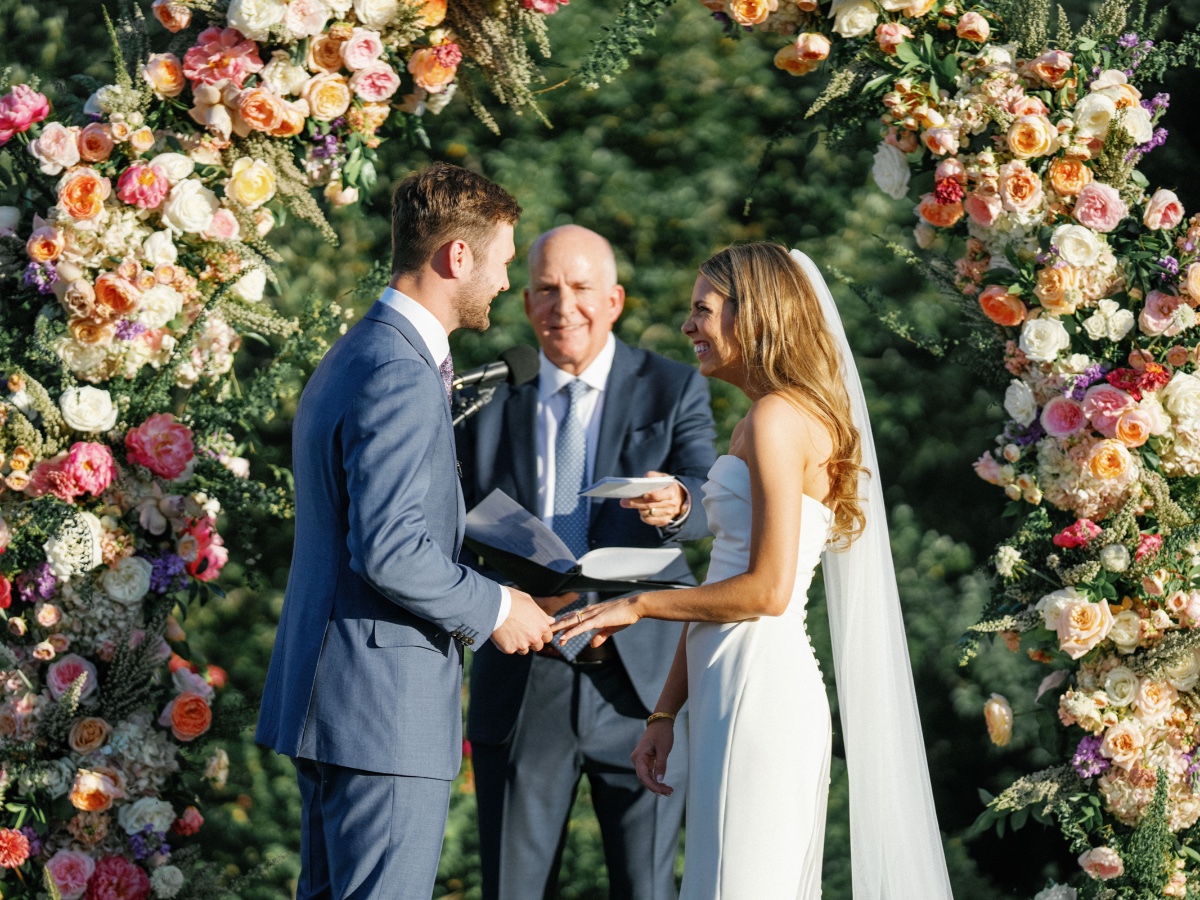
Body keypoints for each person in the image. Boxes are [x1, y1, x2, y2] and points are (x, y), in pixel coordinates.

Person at [553, 243, 954, 898]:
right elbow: (723, 584)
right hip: (724, 686)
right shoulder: (759, 418)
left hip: (760, 690)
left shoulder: (778, 419)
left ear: (756, 316)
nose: (687, 327)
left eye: (702, 310)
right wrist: (664, 714)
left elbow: (767, 592)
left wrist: (639, 605)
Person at [255, 163, 555, 900]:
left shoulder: (361, 350)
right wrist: (495, 608)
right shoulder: (399, 369)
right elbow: (389, 551)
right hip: (380, 713)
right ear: (457, 256)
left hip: (337, 701)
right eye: (503, 263)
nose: (505, 283)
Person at [456, 224, 717, 900]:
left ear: (615, 300)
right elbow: (446, 524)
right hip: (524, 676)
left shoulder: (673, 387)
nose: (562, 306)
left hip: (639, 684)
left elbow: (709, 493)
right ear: (525, 302)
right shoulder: (482, 395)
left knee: (648, 889)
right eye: (545, 289)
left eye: (579, 289)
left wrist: (680, 500)